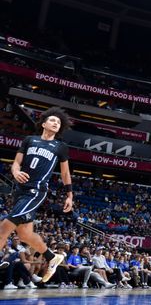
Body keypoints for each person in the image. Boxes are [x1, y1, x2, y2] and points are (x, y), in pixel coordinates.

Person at [0, 107, 72, 284]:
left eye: (59, 122)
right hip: (20, 190)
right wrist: (16, 172)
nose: (56, 123)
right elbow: (16, 163)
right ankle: (52, 257)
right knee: (24, 234)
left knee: (5, 225)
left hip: (36, 191)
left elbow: (65, 173)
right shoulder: (29, 140)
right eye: (53, 120)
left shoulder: (60, 147)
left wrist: (69, 194)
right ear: (44, 123)